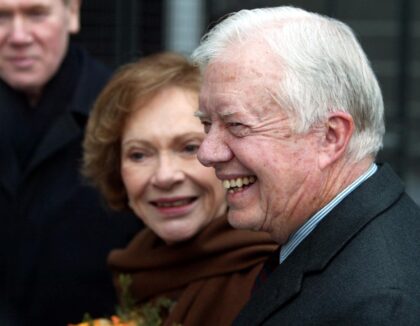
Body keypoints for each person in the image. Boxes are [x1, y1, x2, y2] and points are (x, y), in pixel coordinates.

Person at [191, 6, 420, 325]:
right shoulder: (350, 244)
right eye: (206, 124)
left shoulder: (379, 304)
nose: (207, 152)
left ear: (330, 136)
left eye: (237, 125)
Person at [82, 52, 278, 326]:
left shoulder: (272, 276)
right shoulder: (135, 271)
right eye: (139, 155)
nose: (165, 176)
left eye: (189, 148)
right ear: (116, 169)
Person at [0, 0, 141, 325]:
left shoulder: (126, 113)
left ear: (72, 13)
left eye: (36, 13)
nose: (18, 35)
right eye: (2, 17)